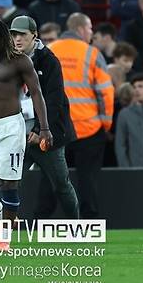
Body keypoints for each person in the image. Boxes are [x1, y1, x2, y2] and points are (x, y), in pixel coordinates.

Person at [0, 17, 52, 251]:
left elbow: (36, 93)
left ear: (4, 40)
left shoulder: (20, 61)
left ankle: (5, 239)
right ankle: (1, 212)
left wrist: (44, 127)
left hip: (11, 128)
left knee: (9, 183)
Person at [9, 15, 79, 219]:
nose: (17, 39)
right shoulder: (9, 59)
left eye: (22, 34)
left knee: (61, 184)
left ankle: (76, 226)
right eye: (14, 34)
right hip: (18, 133)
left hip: (46, 134)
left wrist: (40, 130)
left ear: (34, 35)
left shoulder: (49, 60)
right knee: (9, 182)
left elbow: (54, 100)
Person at [49, 13, 114, 218]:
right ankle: (88, 222)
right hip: (88, 128)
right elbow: (105, 92)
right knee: (88, 181)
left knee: (51, 179)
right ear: (81, 29)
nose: (92, 33)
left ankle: (40, 220)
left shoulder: (50, 50)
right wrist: (106, 123)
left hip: (56, 127)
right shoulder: (92, 53)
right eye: (90, 29)